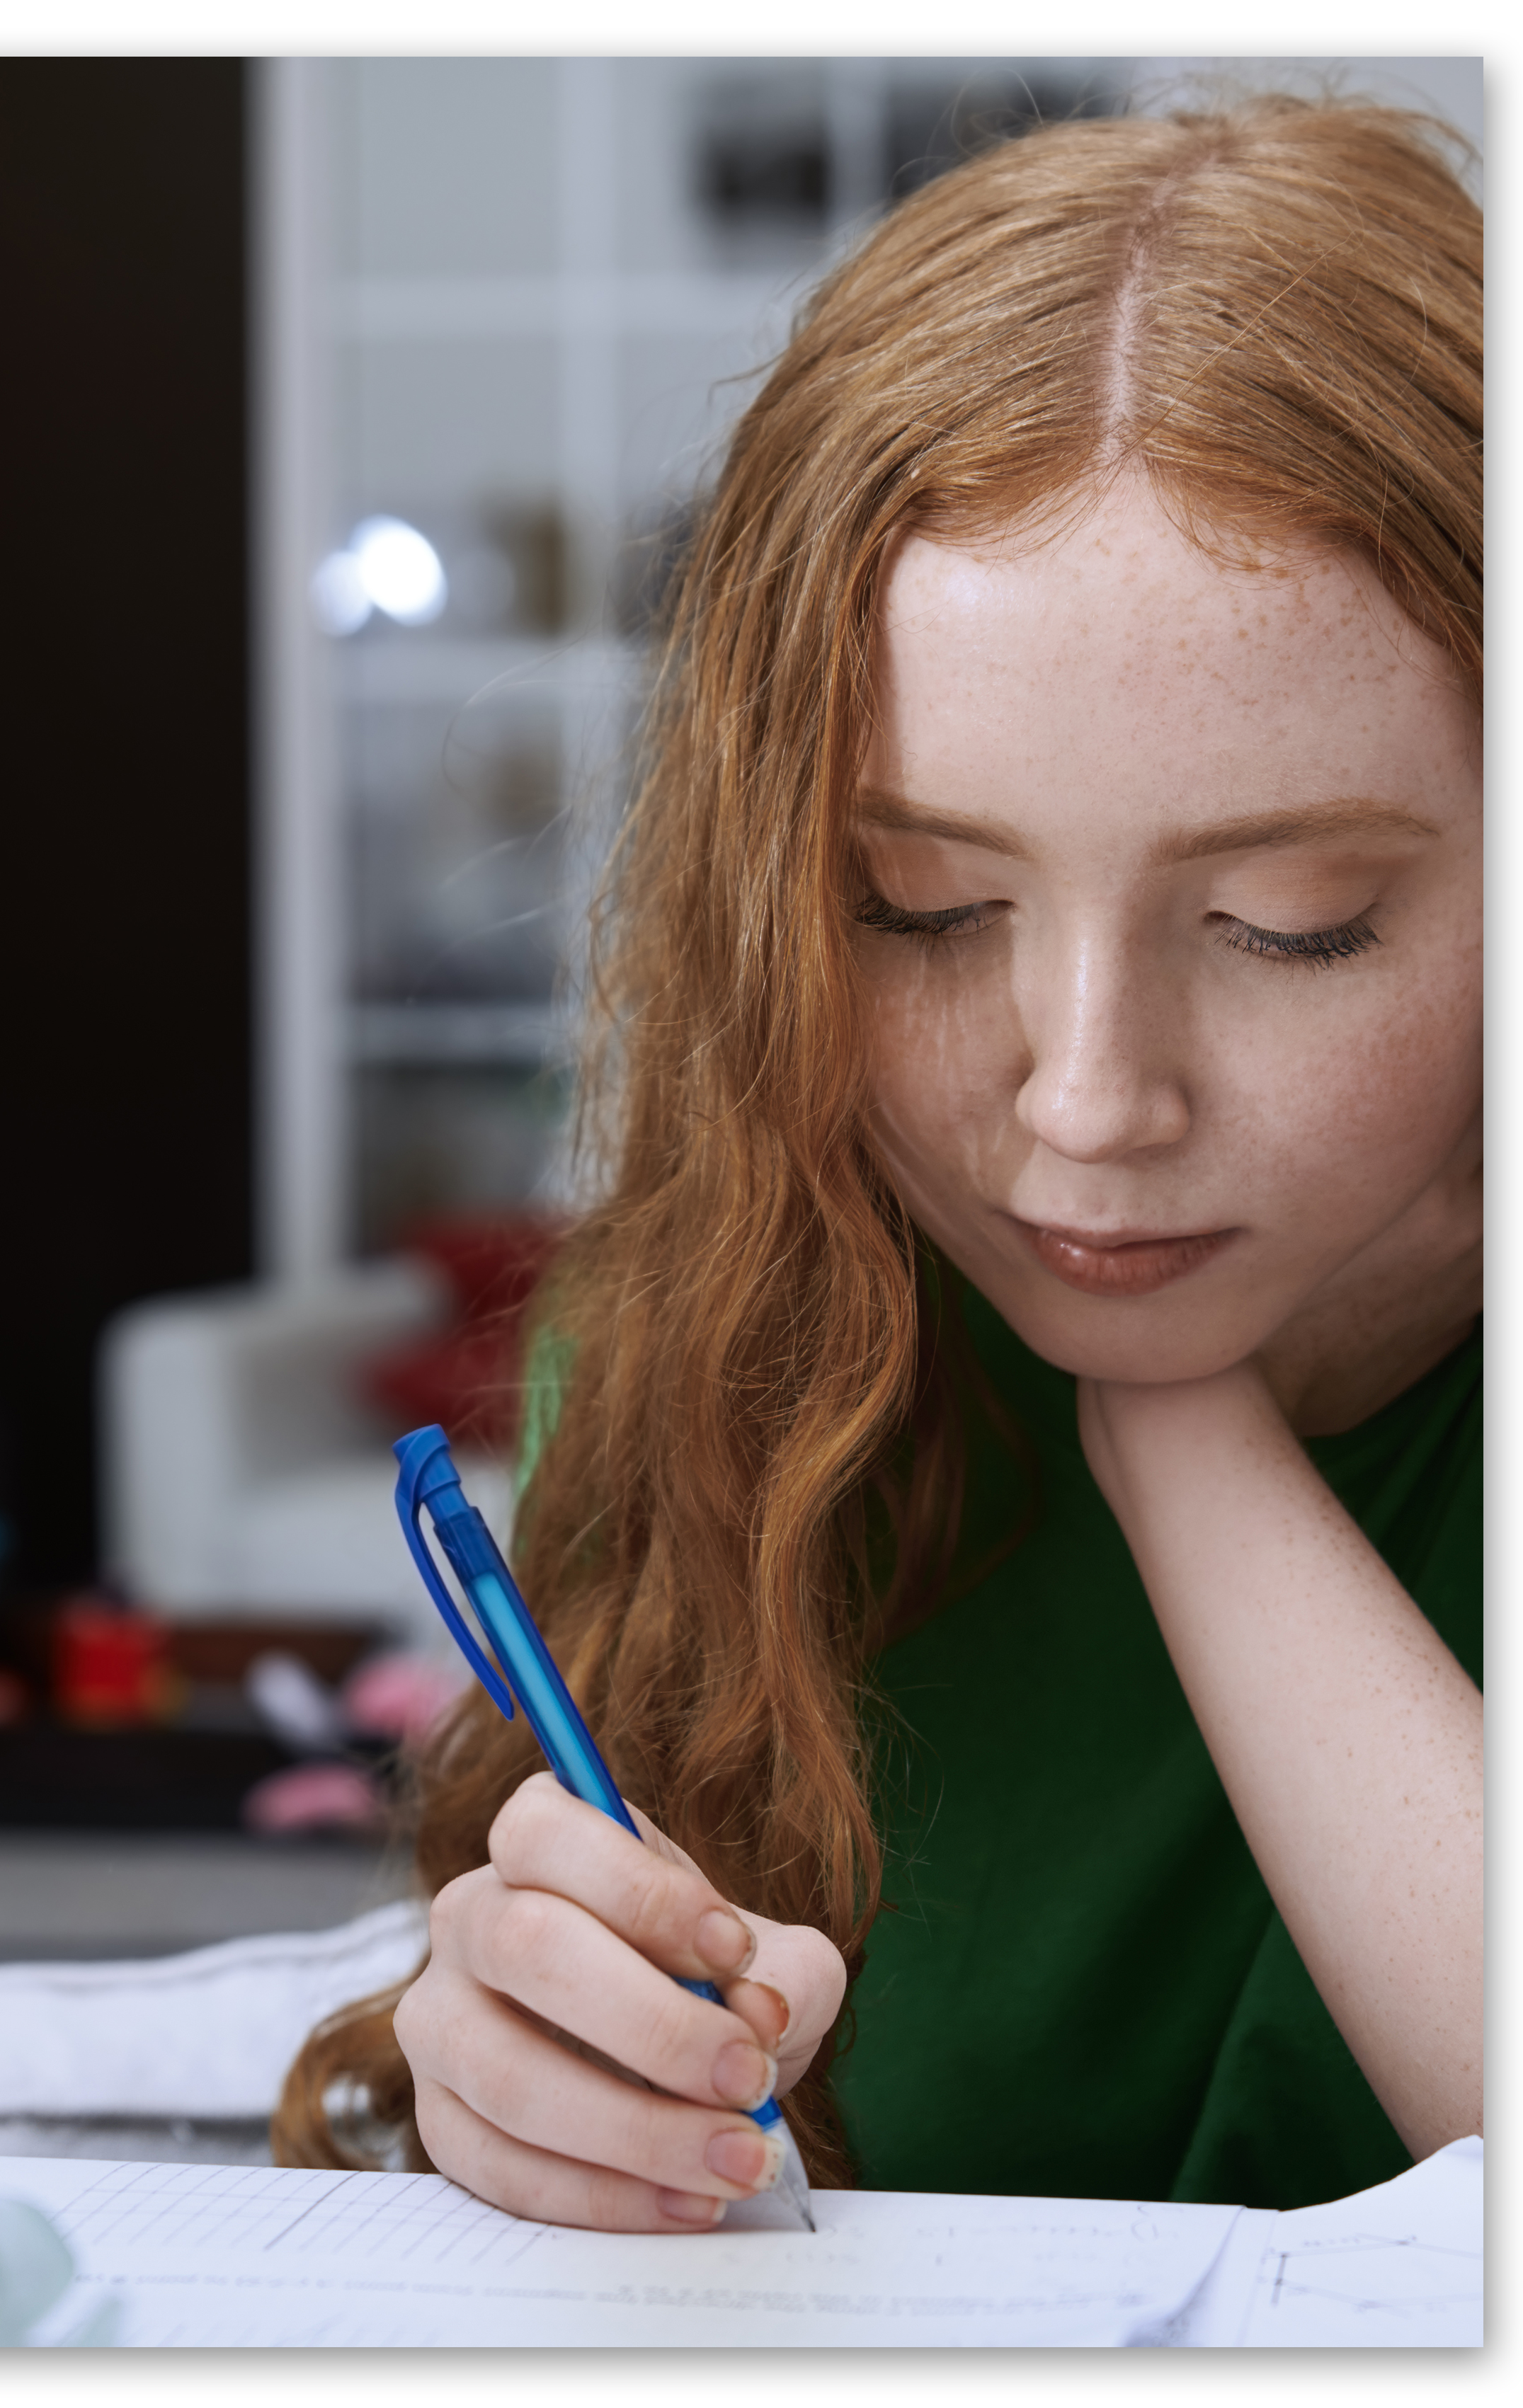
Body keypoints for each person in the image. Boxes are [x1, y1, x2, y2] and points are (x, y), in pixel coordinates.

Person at [275, 95, 1482, 2227]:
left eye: (1289, 920)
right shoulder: (716, 1345)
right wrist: (518, 2071)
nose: (1085, 1104)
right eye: (918, 908)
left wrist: (1185, 1440)